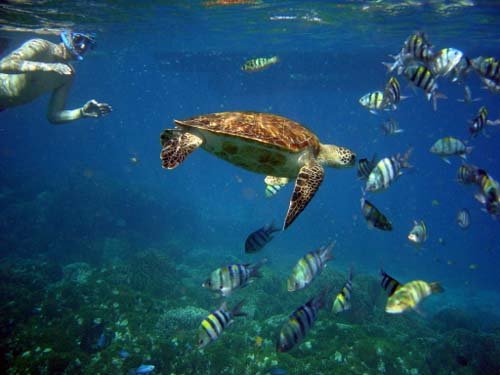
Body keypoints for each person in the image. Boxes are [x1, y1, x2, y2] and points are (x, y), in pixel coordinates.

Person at [0, 30, 112, 124]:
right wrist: (45, 66)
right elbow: (4, 65)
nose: (82, 46)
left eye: (88, 44)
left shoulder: (68, 74)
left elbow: (54, 116)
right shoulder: (40, 46)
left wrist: (81, 112)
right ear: (68, 35)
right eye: (78, 39)